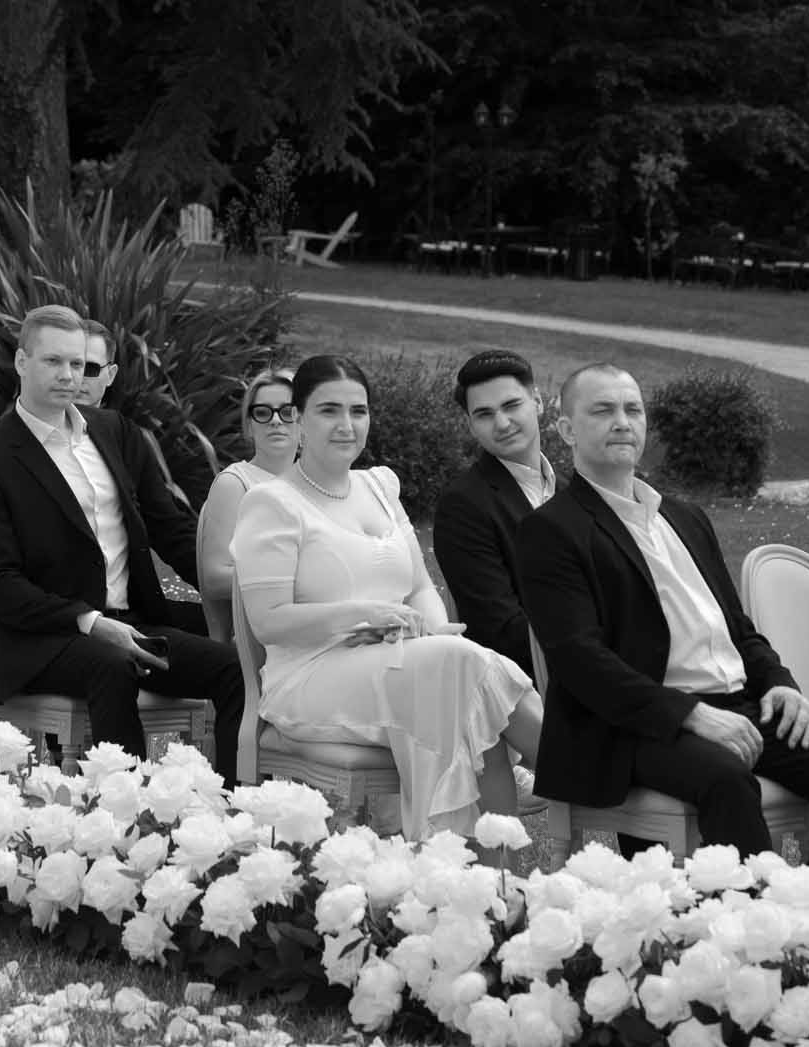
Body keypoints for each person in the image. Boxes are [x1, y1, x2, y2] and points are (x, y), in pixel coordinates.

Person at [517, 362, 809, 886]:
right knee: (726, 778)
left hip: (741, 708)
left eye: (632, 410)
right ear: (566, 429)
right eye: (602, 410)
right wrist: (691, 716)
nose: (622, 422)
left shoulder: (684, 516)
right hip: (633, 726)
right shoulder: (550, 530)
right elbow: (579, 660)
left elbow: (738, 626)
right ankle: (743, 941)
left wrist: (780, 684)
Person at [230, 353, 542, 842]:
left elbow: (419, 585)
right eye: (329, 411)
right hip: (311, 675)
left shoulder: (379, 485)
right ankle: (577, 770)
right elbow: (268, 621)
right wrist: (360, 616)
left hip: (400, 662)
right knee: (454, 669)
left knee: (458, 685)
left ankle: (495, 891)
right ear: (298, 419)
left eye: (358, 411)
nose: (346, 425)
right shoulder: (271, 502)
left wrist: (433, 630)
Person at [0, 304, 244, 781]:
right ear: (21, 362)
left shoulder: (113, 433)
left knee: (233, 668)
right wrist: (90, 623)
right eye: (53, 362)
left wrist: (238, 588)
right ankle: (120, 815)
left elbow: (168, 529)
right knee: (111, 663)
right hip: (49, 642)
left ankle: (230, 809)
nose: (68, 375)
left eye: (77, 364)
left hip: (136, 623)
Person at [432, 349, 557, 673]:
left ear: (538, 402)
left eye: (512, 405)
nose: (502, 423)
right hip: (532, 685)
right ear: (471, 424)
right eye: (485, 414)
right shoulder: (463, 506)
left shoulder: (574, 491)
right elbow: (500, 631)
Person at [195, 366, 300, 642]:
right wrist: (295, 582)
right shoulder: (235, 484)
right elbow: (215, 578)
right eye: (263, 413)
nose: (276, 421)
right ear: (250, 425)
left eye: (288, 411)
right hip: (258, 638)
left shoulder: (315, 484)